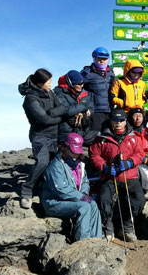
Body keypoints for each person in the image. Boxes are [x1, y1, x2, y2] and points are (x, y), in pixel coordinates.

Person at [89, 108, 145, 242]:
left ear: (126, 121)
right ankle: (108, 229)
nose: (118, 123)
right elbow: (94, 156)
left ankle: (126, 227)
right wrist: (105, 167)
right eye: (115, 120)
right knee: (104, 200)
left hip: (129, 176)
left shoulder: (133, 137)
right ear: (110, 121)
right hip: (109, 177)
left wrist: (129, 163)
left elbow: (140, 154)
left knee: (138, 200)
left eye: (121, 120)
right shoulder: (101, 137)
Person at [18, 68, 66, 209]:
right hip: (40, 136)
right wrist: (59, 117)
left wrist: (52, 112)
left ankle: (44, 187)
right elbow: (43, 119)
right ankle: (27, 191)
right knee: (42, 162)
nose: (50, 84)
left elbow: (62, 107)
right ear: (40, 83)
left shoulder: (50, 93)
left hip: (55, 135)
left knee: (53, 164)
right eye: (48, 82)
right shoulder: (31, 98)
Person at [41, 133, 102, 241]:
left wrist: (84, 195)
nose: (75, 155)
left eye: (77, 152)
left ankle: (96, 240)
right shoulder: (56, 165)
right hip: (54, 202)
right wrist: (81, 197)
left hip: (72, 200)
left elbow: (85, 182)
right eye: (73, 151)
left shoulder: (80, 165)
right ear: (65, 148)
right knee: (84, 206)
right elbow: (61, 190)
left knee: (92, 204)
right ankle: (83, 242)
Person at [54, 70, 98, 146]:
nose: (82, 85)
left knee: (102, 137)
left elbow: (91, 108)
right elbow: (66, 111)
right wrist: (84, 107)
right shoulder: (59, 93)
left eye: (83, 83)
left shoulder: (84, 93)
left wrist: (84, 115)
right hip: (66, 132)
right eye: (79, 84)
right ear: (71, 84)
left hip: (83, 130)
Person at [81, 47, 116, 132]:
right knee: (96, 136)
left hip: (109, 110)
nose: (102, 61)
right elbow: (79, 89)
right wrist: (85, 106)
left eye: (104, 59)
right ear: (94, 58)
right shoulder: (87, 73)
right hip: (95, 110)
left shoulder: (111, 72)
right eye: (99, 58)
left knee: (108, 135)